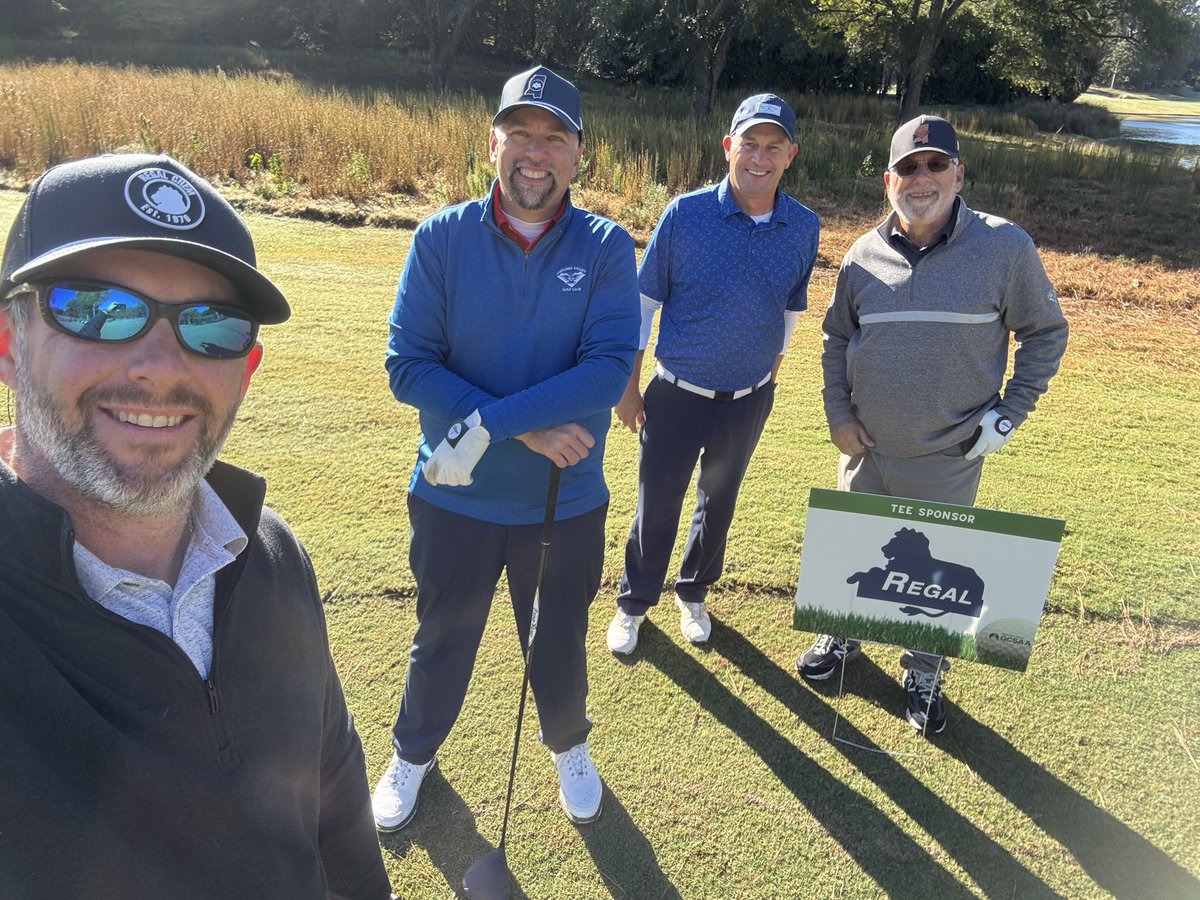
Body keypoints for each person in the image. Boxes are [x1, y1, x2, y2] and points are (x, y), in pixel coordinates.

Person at [0, 153, 392, 898]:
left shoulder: (272, 554)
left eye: (210, 325)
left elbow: (335, 786)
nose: (159, 365)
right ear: (9, 345)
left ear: (245, 370)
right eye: (96, 308)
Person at [374, 66, 639, 831]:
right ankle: (412, 755)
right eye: (520, 132)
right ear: (492, 141)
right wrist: (517, 427)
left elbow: (607, 371)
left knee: (558, 642)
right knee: (440, 639)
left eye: (553, 136)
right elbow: (408, 363)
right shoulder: (441, 238)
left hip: (564, 502)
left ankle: (568, 749)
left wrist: (484, 422)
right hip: (454, 495)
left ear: (578, 154)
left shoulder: (606, 248)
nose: (535, 152)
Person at [796, 115, 1069, 734]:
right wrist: (838, 415)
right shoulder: (862, 255)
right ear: (889, 181)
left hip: (949, 453)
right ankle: (843, 640)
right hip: (865, 447)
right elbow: (837, 339)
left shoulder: (1004, 248)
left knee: (932, 575)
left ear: (958, 173)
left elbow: (1046, 333)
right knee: (856, 556)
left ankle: (922, 668)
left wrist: (1007, 417)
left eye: (936, 165)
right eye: (909, 168)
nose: (923, 178)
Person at [605, 93, 820, 655]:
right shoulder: (686, 213)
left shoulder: (803, 226)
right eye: (750, 143)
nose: (760, 157)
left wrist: (771, 371)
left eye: (773, 146)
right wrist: (627, 386)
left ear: (790, 155)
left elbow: (791, 308)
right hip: (676, 394)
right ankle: (634, 602)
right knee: (659, 502)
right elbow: (644, 305)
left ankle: (694, 592)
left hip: (748, 398)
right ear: (729, 147)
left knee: (718, 502)